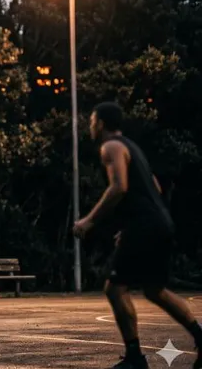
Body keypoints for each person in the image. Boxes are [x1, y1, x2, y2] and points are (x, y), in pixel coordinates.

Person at [73, 102, 202, 369]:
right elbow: (154, 186)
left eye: (92, 120)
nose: (90, 125)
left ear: (101, 123)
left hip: (146, 225)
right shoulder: (133, 148)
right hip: (159, 223)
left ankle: (135, 358)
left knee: (114, 288)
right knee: (155, 290)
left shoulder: (110, 147)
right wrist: (131, 227)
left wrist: (89, 221)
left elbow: (119, 187)